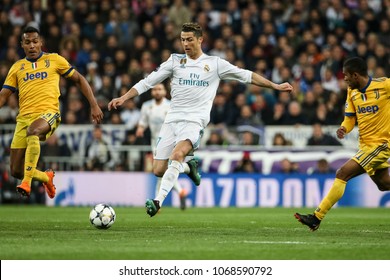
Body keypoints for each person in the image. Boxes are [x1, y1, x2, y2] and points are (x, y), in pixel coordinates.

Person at [108, 22, 293, 217]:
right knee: (158, 170)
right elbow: (147, 82)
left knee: (177, 155)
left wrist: (275, 86)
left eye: (189, 40)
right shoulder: (174, 61)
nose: (185, 44)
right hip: (172, 121)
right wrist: (123, 97)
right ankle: (190, 167)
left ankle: (157, 201)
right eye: (182, 40)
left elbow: (247, 76)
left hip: (194, 121)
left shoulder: (215, 64)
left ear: (200, 39)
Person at [0, 25, 103, 199]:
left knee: (33, 131)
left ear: (41, 43)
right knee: (17, 170)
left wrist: (94, 104)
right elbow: (3, 95)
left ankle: (26, 183)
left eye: (35, 41)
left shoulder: (55, 60)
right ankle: (45, 177)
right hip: (23, 118)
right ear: (22, 45)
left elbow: (79, 79)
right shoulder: (17, 67)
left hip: (48, 114)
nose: (32, 45)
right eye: (27, 42)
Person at [295, 57, 390, 231]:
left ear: (355, 75)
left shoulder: (384, 86)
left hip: (382, 144)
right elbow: (350, 119)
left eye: (346, 76)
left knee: (342, 173)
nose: (344, 79)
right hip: (366, 146)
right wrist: (344, 129)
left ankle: (317, 217)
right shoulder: (351, 91)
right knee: (384, 184)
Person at [136, 83, 188, 210]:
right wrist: (140, 129)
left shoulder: (171, 105)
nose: (157, 92)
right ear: (152, 92)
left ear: (165, 92)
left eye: (159, 89)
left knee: (162, 171)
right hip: (155, 143)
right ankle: (181, 190)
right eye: (154, 89)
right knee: (162, 171)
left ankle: (157, 203)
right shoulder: (146, 106)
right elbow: (142, 122)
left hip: (170, 142)